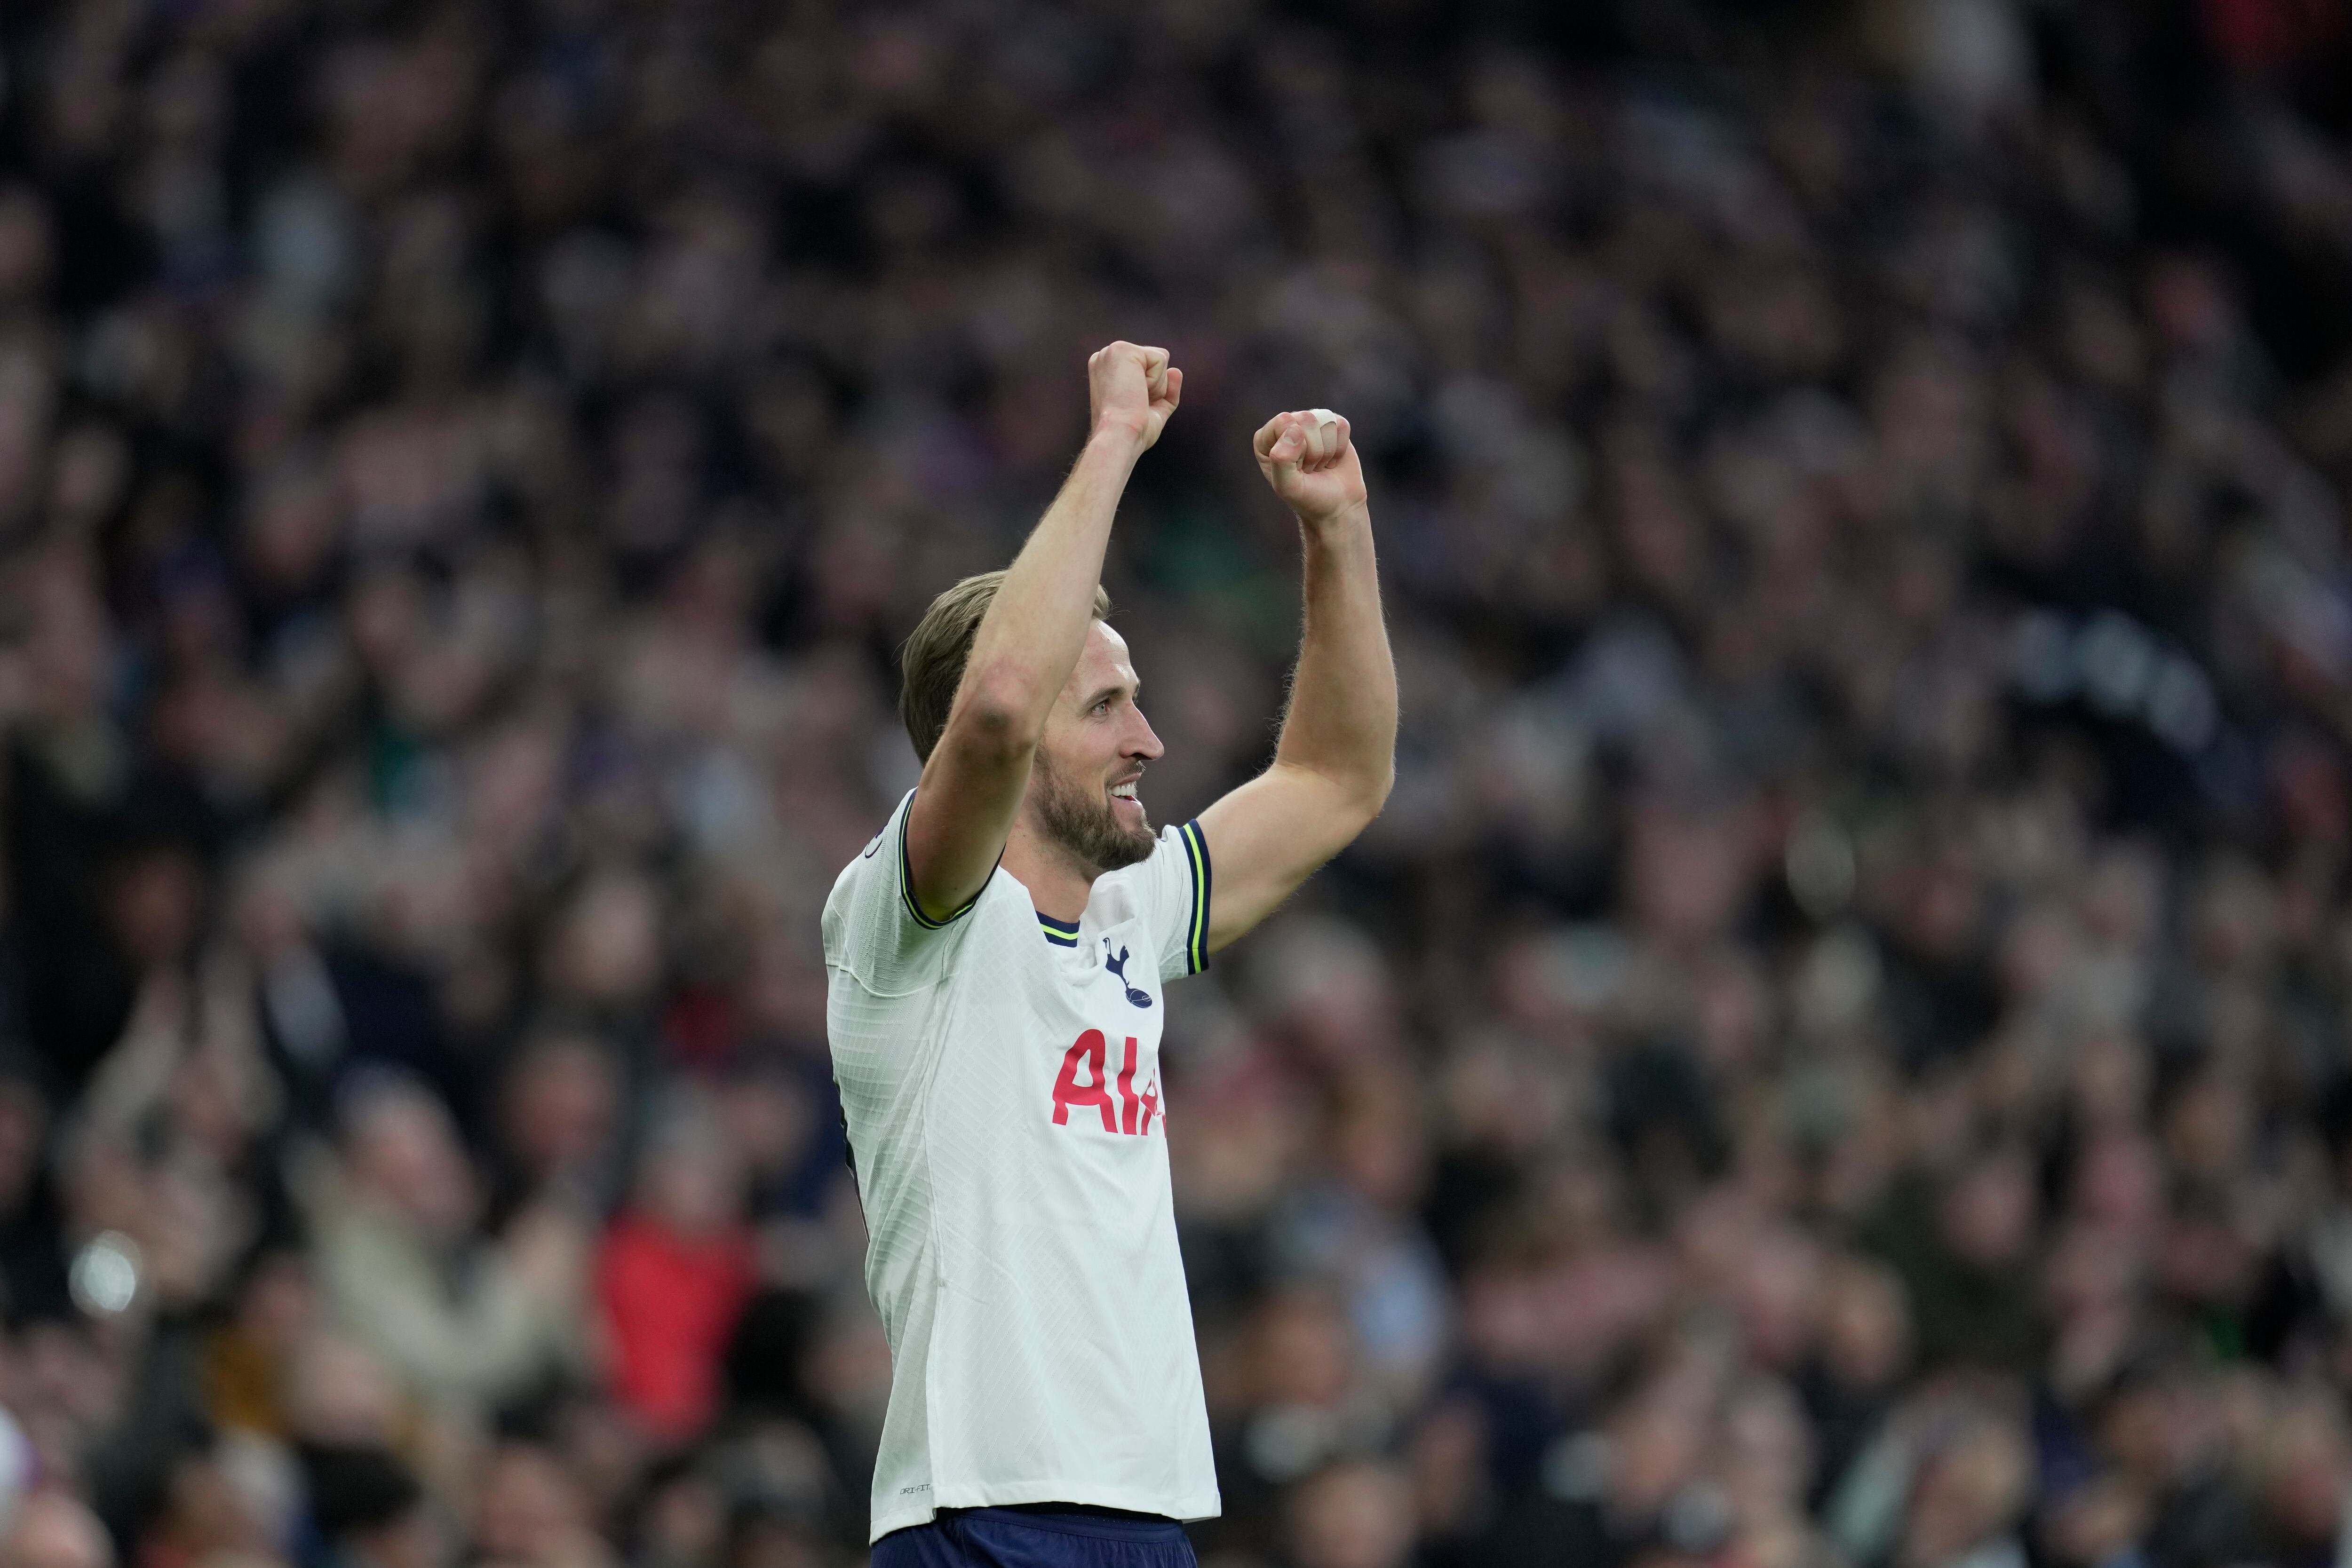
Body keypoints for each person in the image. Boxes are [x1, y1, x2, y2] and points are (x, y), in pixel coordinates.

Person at [822, 341, 1398, 1565]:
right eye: (1103, 706)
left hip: (1144, 1516)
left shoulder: (1131, 911)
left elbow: (1337, 778)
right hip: (981, 1513)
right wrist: (1113, 445)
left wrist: (1337, 534)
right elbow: (989, 708)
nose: (1149, 738)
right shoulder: (910, 921)